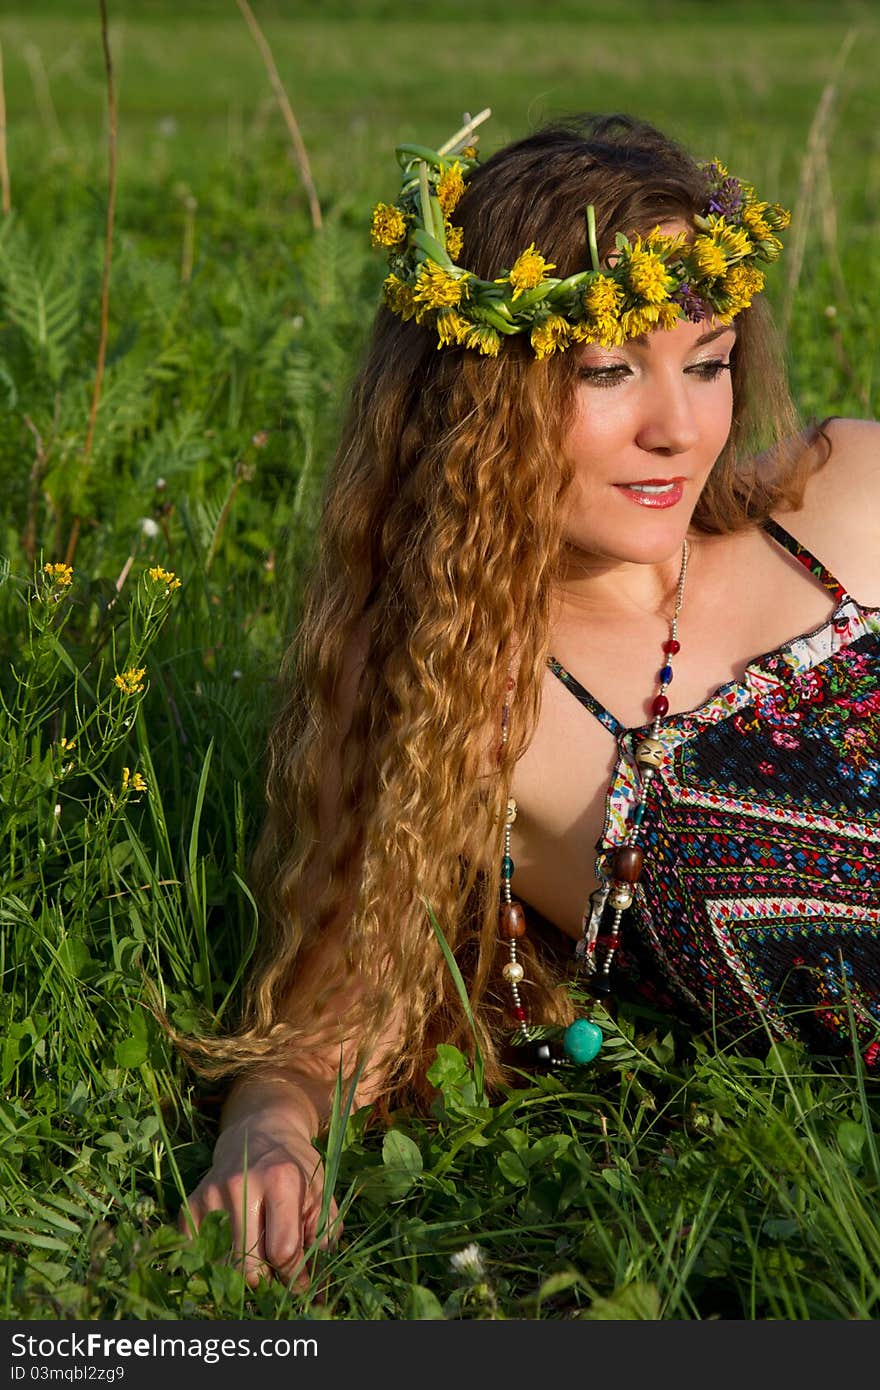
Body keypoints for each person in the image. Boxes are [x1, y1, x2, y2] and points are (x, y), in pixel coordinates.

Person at [178, 111, 880, 1288]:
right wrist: (272, 1130)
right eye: (608, 372)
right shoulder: (472, 692)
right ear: (477, 391)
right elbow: (336, 1014)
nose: (677, 426)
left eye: (706, 362)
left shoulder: (851, 491)